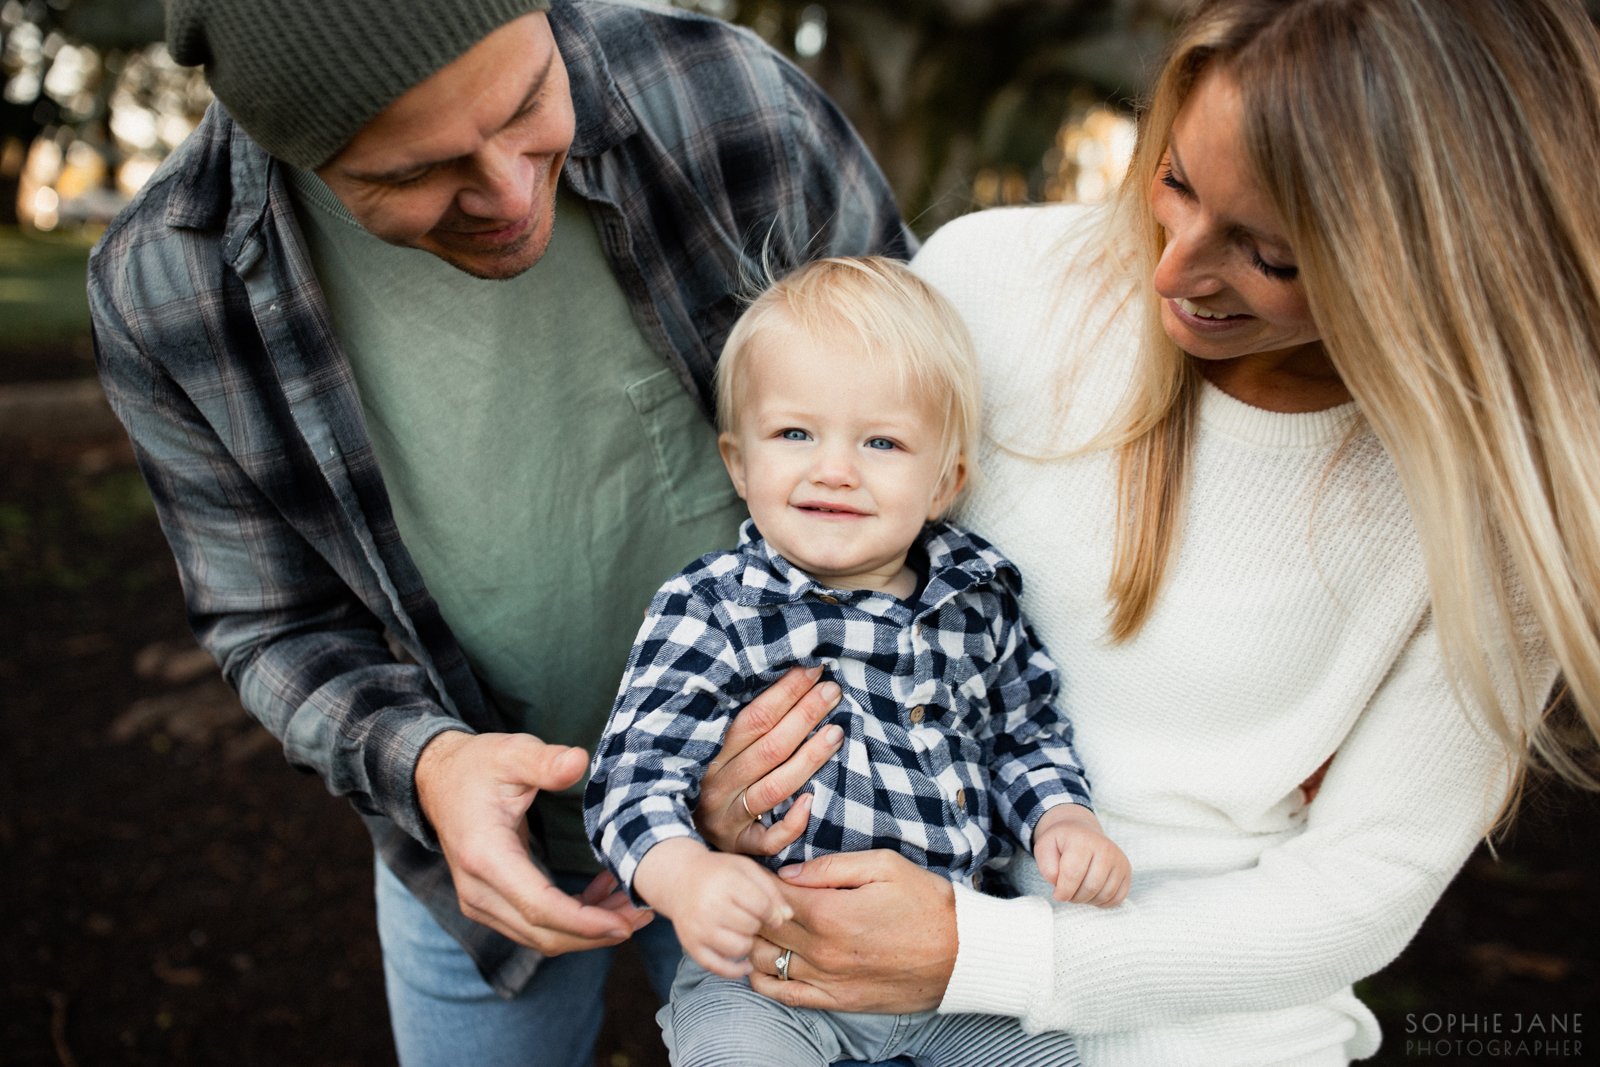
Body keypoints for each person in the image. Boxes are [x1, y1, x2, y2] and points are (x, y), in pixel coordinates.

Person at [683, 0, 1600, 1063]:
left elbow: (1358, 891)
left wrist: (981, 953)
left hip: (1212, 1029)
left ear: (1445, 268)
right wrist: (728, 785)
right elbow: (799, 596)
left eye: (1270, 256)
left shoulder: (1497, 502)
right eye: (1175, 179)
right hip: (857, 1007)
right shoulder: (987, 284)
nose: (1171, 271)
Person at [86, 0, 912, 1063]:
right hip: (476, 868)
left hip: (803, 810)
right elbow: (271, 622)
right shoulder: (169, 282)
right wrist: (428, 766)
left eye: (527, 103)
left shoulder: (722, 93)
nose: (513, 192)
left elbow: (927, 423)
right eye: (412, 174)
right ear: (288, 148)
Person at [584, 256, 1127, 1066]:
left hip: (950, 974)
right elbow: (633, 775)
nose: (834, 467)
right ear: (739, 462)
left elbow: (1024, 733)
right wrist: (684, 875)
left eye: (881, 441)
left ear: (946, 481)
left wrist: (1063, 815)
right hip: (772, 975)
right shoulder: (714, 608)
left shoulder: (977, 602)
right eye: (795, 433)